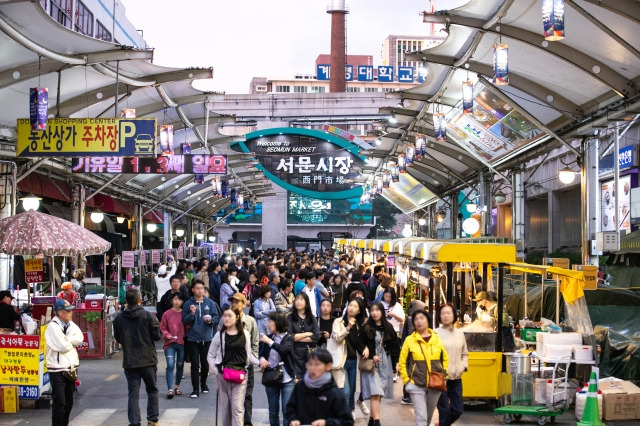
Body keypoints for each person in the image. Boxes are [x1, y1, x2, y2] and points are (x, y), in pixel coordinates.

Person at [113, 288, 163, 426]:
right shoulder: (148, 316)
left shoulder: (119, 318)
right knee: (152, 390)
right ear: (140, 300)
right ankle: (152, 419)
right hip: (148, 359)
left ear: (126, 301)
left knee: (133, 393)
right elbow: (157, 336)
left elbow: (118, 338)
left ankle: (134, 422)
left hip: (130, 360)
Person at [207, 306, 260, 426]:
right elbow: (210, 356)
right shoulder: (219, 335)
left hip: (240, 375)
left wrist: (259, 362)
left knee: (237, 408)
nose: (226, 318)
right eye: (224, 316)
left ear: (237, 317)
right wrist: (216, 371)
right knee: (226, 409)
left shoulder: (245, 334)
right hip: (223, 376)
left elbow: (249, 355)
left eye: (229, 316)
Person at [399, 309, 449, 426]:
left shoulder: (436, 338)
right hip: (416, 384)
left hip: (435, 384)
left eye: (422, 318)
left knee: (427, 418)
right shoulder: (409, 340)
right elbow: (402, 362)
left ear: (428, 320)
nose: (419, 321)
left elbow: (445, 358)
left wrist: (444, 376)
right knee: (421, 418)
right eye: (416, 319)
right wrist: (407, 381)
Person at [285, 348, 354, 426]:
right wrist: (293, 419)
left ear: (328, 366)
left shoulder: (333, 392)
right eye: (310, 364)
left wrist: (326, 423)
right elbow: (290, 409)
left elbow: (348, 421)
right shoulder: (300, 386)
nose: (312, 368)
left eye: (317, 364)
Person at [360, 301, 399, 426]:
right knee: (376, 392)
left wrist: (396, 363)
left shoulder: (389, 327)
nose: (375, 313)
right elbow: (359, 343)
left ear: (382, 311)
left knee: (378, 393)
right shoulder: (366, 327)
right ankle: (377, 422)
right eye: (372, 310)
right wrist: (369, 353)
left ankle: (372, 420)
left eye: (377, 310)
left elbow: (394, 346)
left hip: (385, 363)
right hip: (371, 365)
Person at [45, 299, 83, 426]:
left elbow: (80, 338)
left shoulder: (71, 324)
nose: (71, 313)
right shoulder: (52, 327)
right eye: (68, 311)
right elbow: (62, 346)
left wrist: (68, 339)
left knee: (68, 401)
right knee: (59, 402)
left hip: (70, 368)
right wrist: (69, 342)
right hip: (57, 369)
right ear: (60, 312)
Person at [331, 297, 368, 420]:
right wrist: (347, 329)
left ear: (359, 311)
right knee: (345, 391)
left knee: (351, 390)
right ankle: (344, 416)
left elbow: (359, 343)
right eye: (350, 305)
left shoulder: (358, 325)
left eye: (355, 307)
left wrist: (365, 348)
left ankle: (350, 411)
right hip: (341, 361)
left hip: (353, 361)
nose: (351, 308)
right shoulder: (338, 322)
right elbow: (336, 338)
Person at [182, 279, 219, 398]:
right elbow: (184, 321)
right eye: (197, 288)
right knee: (194, 364)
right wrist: (191, 314)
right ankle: (195, 389)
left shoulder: (209, 303)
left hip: (207, 337)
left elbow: (216, 318)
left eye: (201, 288)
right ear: (193, 290)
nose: (200, 290)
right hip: (192, 338)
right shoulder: (188, 304)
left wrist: (210, 320)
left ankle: (203, 384)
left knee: (205, 363)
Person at [258, 312, 295, 426]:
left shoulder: (289, 338)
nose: (269, 324)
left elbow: (283, 350)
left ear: (278, 323)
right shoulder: (268, 337)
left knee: (286, 411)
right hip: (271, 377)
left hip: (287, 378)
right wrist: (262, 359)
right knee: (273, 412)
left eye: (271, 321)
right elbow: (261, 353)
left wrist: (270, 342)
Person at [229, 292, 260, 426]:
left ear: (243, 304)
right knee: (231, 395)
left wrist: (252, 358)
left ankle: (247, 421)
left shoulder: (250, 321)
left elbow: (255, 342)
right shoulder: (226, 319)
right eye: (233, 302)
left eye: (237, 302)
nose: (234, 304)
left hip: (247, 363)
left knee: (247, 393)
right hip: (230, 363)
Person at [436, 303, 468, 426]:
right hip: (441, 379)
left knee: (457, 410)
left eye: (448, 313)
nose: (445, 315)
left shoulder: (460, 333)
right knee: (444, 411)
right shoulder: (435, 334)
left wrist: (463, 366)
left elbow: (465, 353)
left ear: (454, 315)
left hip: (457, 378)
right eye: (443, 313)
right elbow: (432, 356)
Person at [288, 293, 320, 379]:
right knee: (298, 381)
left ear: (306, 302)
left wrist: (297, 338)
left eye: (301, 300)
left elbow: (316, 336)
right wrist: (307, 334)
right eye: (297, 300)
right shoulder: (290, 318)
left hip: (310, 353)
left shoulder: (311, 317)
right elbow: (290, 337)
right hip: (296, 354)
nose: (298, 302)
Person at [160, 293, 186, 399]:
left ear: (182, 302)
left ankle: (177, 387)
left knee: (180, 365)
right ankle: (170, 389)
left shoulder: (184, 314)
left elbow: (188, 326)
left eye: (179, 299)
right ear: (172, 301)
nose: (177, 301)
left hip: (181, 343)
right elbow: (162, 328)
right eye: (175, 299)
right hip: (169, 344)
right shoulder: (166, 314)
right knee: (170, 365)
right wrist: (167, 335)